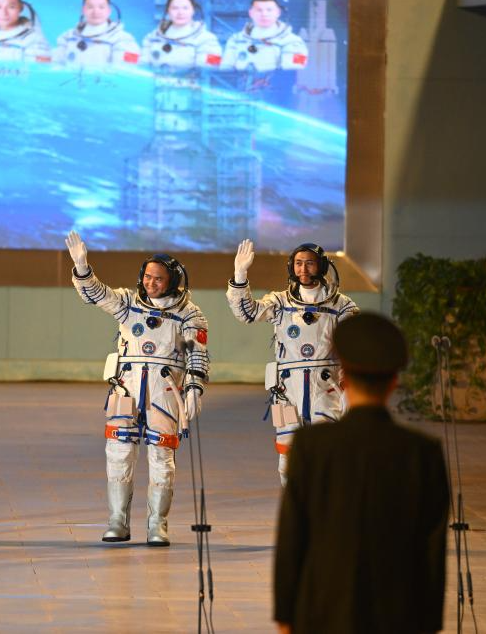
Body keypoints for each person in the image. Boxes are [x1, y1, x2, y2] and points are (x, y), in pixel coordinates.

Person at [273, 312, 450, 633]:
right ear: (394, 381)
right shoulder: (422, 453)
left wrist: (286, 616)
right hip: (398, 616)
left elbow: (292, 537)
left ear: (344, 377)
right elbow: (431, 551)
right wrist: (428, 623)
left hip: (321, 612)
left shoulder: (311, 447)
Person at [65, 230, 208, 546]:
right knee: (118, 454)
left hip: (164, 393)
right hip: (127, 389)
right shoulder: (128, 304)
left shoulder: (188, 313)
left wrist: (195, 388)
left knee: (162, 458)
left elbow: (196, 355)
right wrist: (82, 267)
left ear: (172, 281)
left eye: (158, 278)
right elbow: (96, 295)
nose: (151, 283)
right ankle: (117, 521)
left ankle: (158, 525)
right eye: (147, 277)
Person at [226, 240, 358, 486]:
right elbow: (247, 313)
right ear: (291, 266)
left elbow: (354, 350)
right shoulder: (280, 302)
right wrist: (240, 275)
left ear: (322, 266)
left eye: (309, 263)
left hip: (327, 388)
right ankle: (295, 507)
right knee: (287, 457)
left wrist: (351, 390)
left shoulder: (341, 305)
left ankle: (325, 506)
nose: (303, 269)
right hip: (287, 392)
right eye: (298, 263)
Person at [221, 0, 308, 72]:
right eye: (259, 10)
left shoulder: (294, 42)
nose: (264, 14)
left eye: (269, 10)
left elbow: (293, 72)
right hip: (238, 84)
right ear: (251, 13)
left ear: (278, 13)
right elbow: (225, 69)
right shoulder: (236, 39)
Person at [54, 0, 140, 68]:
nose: (96, 12)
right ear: (83, 10)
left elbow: (127, 71)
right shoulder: (68, 36)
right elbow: (55, 65)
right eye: (90, 7)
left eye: (101, 7)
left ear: (109, 11)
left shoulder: (124, 39)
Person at [140, 0, 220, 70]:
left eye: (185, 8)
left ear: (193, 11)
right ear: (168, 11)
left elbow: (209, 70)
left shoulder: (207, 39)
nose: (180, 13)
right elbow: (142, 64)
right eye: (175, 8)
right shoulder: (153, 36)